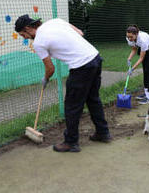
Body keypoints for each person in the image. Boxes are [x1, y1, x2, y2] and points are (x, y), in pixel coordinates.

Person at [15, 14, 111, 152]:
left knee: (72, 106)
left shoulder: (38, 43)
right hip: (95, 58)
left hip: (81, 67)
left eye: (23, 34)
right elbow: (80, 33)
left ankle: (71, 142)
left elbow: (50, 68)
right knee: (93, 99)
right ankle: (103, 133)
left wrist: (45, 78)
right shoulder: (56, 21)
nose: (24, 38)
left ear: (28, 28)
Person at [126, 25, 149, 104]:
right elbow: (134, 49)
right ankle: (146, 93)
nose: (129, 39)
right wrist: (129, 59)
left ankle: (148, 97)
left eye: (131, 37)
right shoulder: (130, 38)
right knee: (145, 72)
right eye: (128, 36)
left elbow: (141, 58)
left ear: (136, 34)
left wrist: (132, 69)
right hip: (146, 50)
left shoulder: (142, 40)